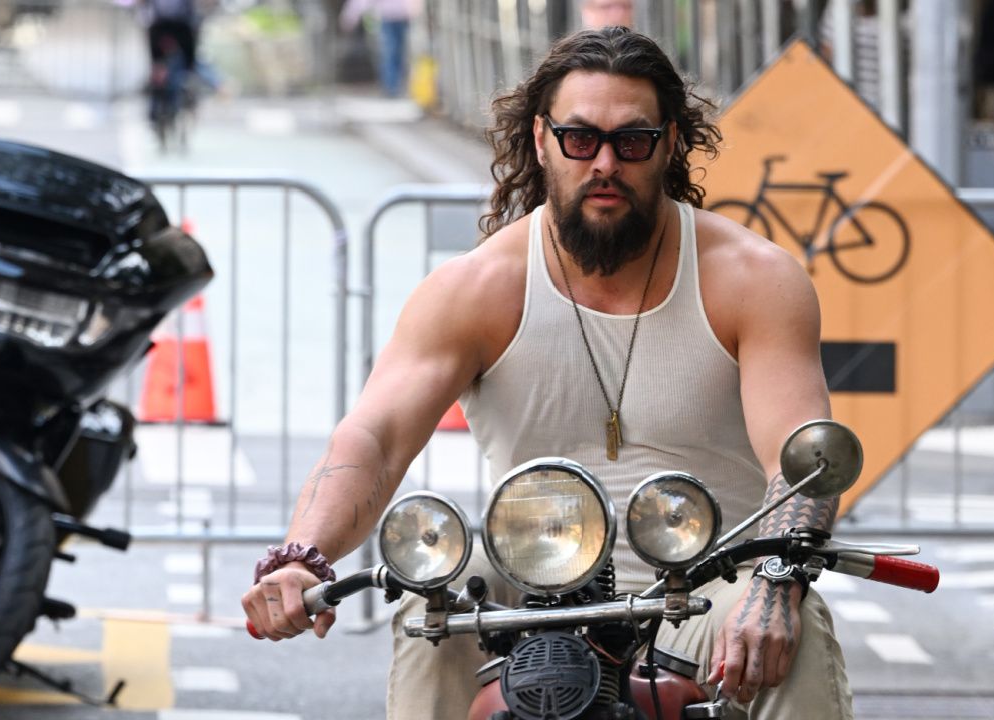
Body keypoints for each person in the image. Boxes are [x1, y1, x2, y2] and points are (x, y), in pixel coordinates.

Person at [241, 27, 851, 719]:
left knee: (792, 636)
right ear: (541, 140)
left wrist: (777, 581)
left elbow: (801, 457)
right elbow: (374, 438)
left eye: (633, 141)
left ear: (671, 143)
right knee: (430, 592)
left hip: (707, 589)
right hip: (527, 586)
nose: (605, 163)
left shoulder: (754, 279)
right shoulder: (478, 288)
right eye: (580, 138)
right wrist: (303, 556)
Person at [339, 0, 418, 97]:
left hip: (403, 16)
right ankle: (391, 87)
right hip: (387, 16)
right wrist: (350, 17)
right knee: (390, 51)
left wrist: (414, 8)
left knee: (399, 52)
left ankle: (397, 85)